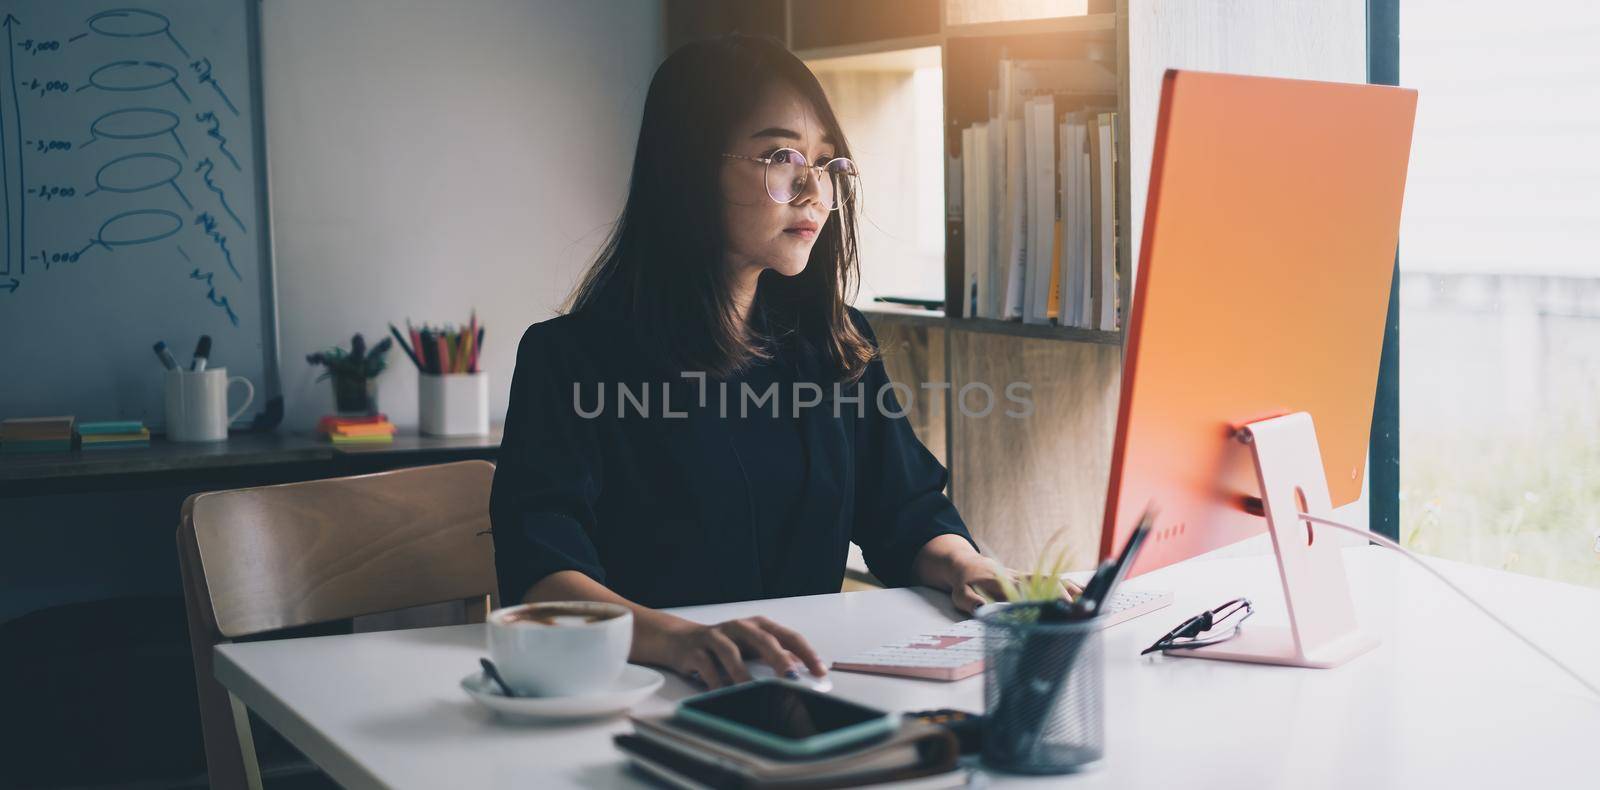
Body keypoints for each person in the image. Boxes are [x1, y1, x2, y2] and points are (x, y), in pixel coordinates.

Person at [490, 34, 1067, 690]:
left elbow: (903, 513)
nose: (814, 189)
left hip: (803, 690)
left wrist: (967, 566)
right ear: (686, 169)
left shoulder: (836, 346)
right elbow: (542, 572)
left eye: (824, 161)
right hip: (640, 695)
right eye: (779, 155)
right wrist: (680, 641)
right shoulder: (569, 362)